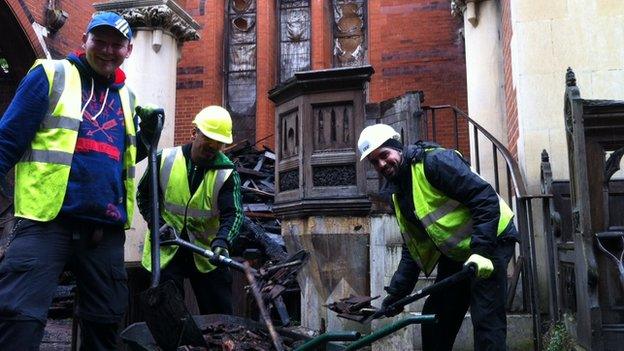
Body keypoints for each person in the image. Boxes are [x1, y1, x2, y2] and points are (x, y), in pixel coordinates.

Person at [0, 12, 159, 350]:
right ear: (84, 39)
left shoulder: (126, 98)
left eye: (116, 44)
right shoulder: (51, 76)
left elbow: (120, 159)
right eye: (99, 41)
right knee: (19, 319)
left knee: (104, 324)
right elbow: (7, 140)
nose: (107, 50)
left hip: (104, 230)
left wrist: (147, 137)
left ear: (129, 49)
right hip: (46, 221)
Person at [358, 124, 519, 351]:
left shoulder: (434, 163)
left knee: (486, 318)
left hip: (492, 239)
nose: (382, 165)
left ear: (397, 149)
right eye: (375, 162)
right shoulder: (399, 193)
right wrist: (396, 294)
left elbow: (485, 199)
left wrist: (481, 252)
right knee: (436, 316)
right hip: (458, 252)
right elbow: (413, 248)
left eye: (384, 155)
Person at [137, 105, 243, 315]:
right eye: (207, 142)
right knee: (168, 313)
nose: (212, 147)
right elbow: (144, 196)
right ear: (194, 133)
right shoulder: (163, 160)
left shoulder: (227, 173)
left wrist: (223, 241)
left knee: (219, 314)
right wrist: (157, 223)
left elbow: (234, 214)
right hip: (168, 247)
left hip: (206, 252)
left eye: (218, 145)